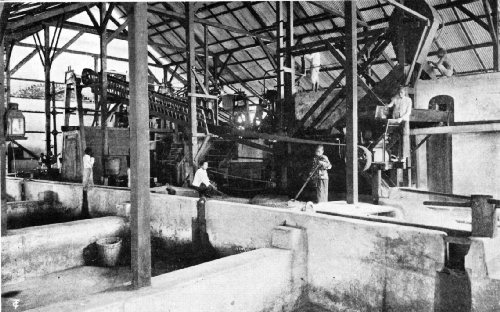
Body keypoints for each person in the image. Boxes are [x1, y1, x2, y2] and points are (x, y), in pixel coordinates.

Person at [386, 86, 412, 159]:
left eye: (402, 92)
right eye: (399, 92)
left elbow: (408, 112)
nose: (400, 94)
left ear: (405, 93)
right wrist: (386, 106)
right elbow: (390, 105)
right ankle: (394, 155)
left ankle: (403, 157)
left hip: (404, 120)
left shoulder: (408, 100)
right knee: (395, 136)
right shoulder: (395, 99)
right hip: (396, 121)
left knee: (404, 137)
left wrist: (402, 118)